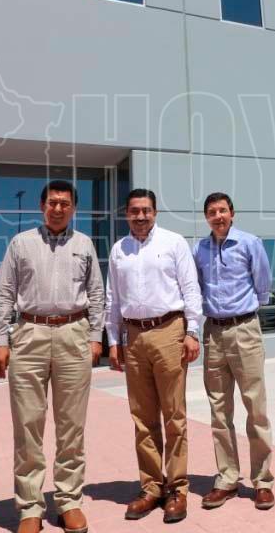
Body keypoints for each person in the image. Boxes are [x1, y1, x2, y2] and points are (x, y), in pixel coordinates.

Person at [0, 180, 105, 533]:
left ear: (73, 209)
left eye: (65, 203)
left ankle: (69, 500)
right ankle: (30, 507)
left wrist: (95, 336)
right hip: (30, 334)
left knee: (72, 425)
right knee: (27, 425)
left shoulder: (84, 244)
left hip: (73, 334)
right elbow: (3, 293)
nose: (58, 208)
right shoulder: (21, 243)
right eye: (52, 202)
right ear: (42, 206)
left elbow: (96, 293)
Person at [106, 188, 203, 524]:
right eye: (134, 211)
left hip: (169, 331)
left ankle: (177, 488)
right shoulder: (118, 249)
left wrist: (192, 331)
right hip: (133, 337)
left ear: (155, 212)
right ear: (126, 213)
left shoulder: (173, 243)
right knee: (142, 418)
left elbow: (190, 288)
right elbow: (113, 298)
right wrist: (113, 340)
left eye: (146, 210)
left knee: (174, 415)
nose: (140, 216)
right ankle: (151, 487)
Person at [192, 192, 275, 511]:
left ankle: (263, 481)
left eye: (223, 210)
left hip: (244, 329)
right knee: (219, 409)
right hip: (213, 332)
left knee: (256, 407)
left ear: (232, 213)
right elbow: (196, 287)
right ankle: (227, 479)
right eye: (212, 212)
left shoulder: (250, 243)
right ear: (206, 217)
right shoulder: (199, 249)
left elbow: (263, 283)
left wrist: (247, 314)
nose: (218, 216)